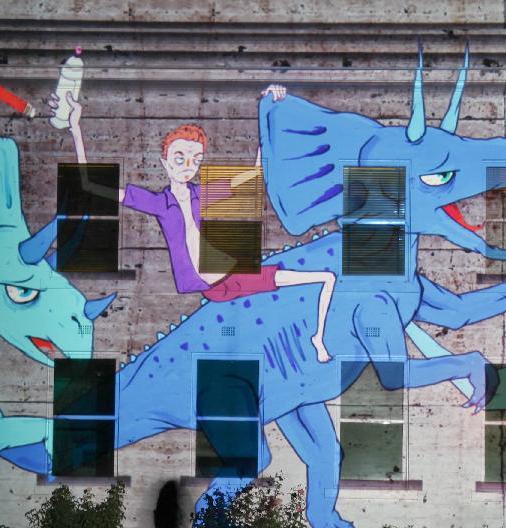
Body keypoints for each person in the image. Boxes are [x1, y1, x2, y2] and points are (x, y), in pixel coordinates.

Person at [51, 86, 336, 362]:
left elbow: (254, 173)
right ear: (164, 163)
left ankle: (319, 339)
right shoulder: (159, 204)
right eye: (180, 158)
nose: (188, 165)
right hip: (211, 284)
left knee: (327, 278)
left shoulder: (203, 194)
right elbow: (89, 184)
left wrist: (268, 106)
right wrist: (75, 127)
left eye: (195, 160)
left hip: (235, 275)